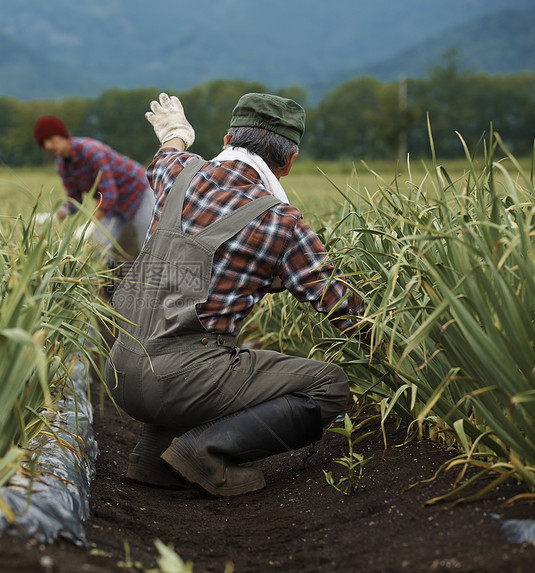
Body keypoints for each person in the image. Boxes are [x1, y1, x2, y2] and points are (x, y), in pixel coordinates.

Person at [104, 92, 368, 496]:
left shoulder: (176, 173)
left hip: (120, 370)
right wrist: (410, 344)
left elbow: (165, 155)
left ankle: (151, 458)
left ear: (227, 140)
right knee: (328, 386)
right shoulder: (282, 223)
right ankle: (206, 453)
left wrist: (176, 132)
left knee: (180, 344)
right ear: (290, 161)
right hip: (182, 382)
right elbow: (345, 312)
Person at [33, 115, 156, 256]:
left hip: (138, 193)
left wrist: (89, 225)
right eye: (42, 143)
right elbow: (74, 200)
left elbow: (109, 194)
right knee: (98, 249)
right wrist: (53, 217)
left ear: (62, 136)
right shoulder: (62, 165)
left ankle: (156, 277)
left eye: (50, 139)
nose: (48, 146)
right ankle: (109, 277)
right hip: (111, 206)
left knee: (150, 245)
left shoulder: (91, 151)